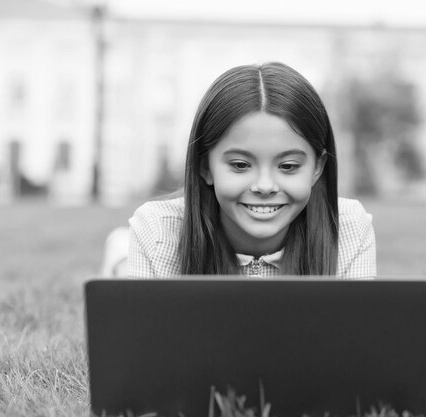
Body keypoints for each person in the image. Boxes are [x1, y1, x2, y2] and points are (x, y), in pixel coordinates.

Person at [128, 62, 376, 278]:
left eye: (288, 166)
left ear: (317, 168)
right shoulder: (158, 231)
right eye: (240, 165)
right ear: (205, 167)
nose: (265, 186)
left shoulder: (347, 228)